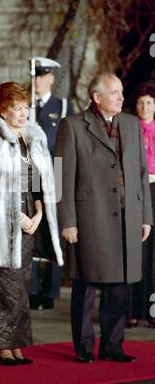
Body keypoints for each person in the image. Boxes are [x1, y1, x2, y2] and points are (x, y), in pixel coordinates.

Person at [55, 72, 153, 363]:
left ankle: (113, 346)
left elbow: (140, 174)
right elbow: (61, 178)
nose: (122, 98)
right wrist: (67, 220)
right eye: (115, 93)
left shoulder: (131, 124)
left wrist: (145, 215)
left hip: (128, 215)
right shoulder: (71, 126)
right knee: (87, 283)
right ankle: (84, 348)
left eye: (122, 92)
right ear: (97, 98)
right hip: (89, 217)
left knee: (121, 284)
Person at [0, 81, 63, 365]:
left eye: (25, 108)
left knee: (21, 283)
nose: (23, 114)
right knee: (3, 282)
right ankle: (0, 343)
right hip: (2, 219)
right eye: (17, 108)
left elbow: (45, 182)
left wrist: (39, 214)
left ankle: (15, 343)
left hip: (31, 215)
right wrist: (17, 214)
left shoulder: (34, 140)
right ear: (2, 110)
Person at [29, 56, 74, 310]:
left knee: (54, 227)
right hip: (30, 171)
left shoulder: (63, 106)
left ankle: (50, 290)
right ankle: (32, 288)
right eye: (35, 76)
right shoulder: (25, 105)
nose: (37, 80)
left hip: (54, 170)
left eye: (42, 76)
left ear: (51, 79)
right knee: (32, 227)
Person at [126, 83, 155, 328]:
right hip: (137, 190)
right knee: (138, 252)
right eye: (141, 102)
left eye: (149, 102)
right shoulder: (127, 129)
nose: (145, 107)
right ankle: (133, 310)